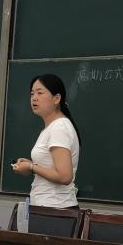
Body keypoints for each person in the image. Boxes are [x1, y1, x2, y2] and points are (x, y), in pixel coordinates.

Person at [11, 74, 81, 208]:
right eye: (32, 94)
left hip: (56, 209)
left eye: (40, 93)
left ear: (57, 98)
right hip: (47, 207)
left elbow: (65, 176)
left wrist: (32, 167)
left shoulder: (59, 127)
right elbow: (52, 168)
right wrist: (30, 165)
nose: (34, 98)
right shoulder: (51, 127)